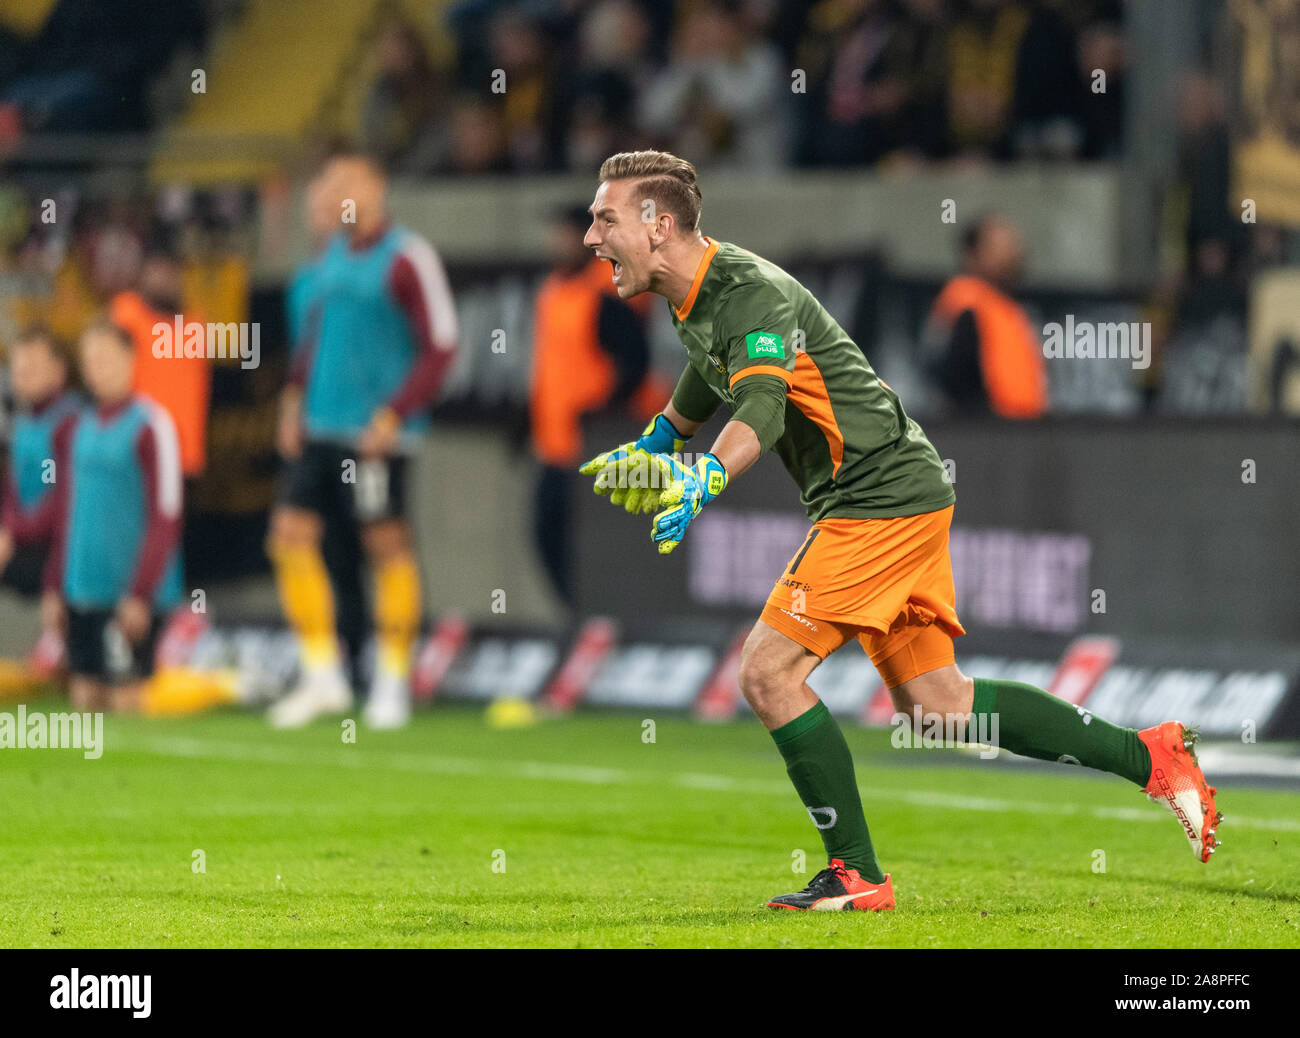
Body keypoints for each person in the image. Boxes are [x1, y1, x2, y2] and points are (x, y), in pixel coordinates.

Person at [579, 150, 1220, 912]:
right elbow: (710, 367)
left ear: (657, 228)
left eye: (604, 217)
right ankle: (1152, 755)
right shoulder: (700, 293)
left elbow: (761, 406)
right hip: (895, 490)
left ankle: (857, 872)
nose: (591, 236)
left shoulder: (748, 293)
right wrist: (662, 436)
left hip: (875, 495)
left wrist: (706, 475)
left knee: (767, 672)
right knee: (941, 708)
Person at [268, 151, 458, 729]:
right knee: (290, 537)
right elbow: (312, 340)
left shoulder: (406, 257)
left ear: (376, 187)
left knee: (385, 547)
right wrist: (293, 399)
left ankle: (392, 679)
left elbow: (442, 346)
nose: (336, 193)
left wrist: (394, 417)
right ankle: (323, 675)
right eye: (328, 184)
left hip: (374, 438)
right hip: (321, 429)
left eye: (346, 182)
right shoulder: (328, 259)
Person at [45, 321, 184, 712]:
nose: (97, 367)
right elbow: (64, 513)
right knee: (84, 699)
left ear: (130, 359)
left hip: (129, 594)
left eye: (106, 357)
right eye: (89, 359)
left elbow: (166, 516)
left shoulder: (152, 425)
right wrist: (54, 584)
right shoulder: (72, 428)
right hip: (81, 589)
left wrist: (140, 594)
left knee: (126, 703)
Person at [530, 205, 652, 606]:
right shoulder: (554, 290)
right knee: (547, 537)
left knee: (597, 548)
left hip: (594, 450)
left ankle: (598, 618)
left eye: (567, 234)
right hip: (555, 447)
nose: (557, 244)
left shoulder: (606, 295)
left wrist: (604, 415)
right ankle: (578, 615)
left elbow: (635, 364)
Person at [0, 326, 81, 674]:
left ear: (58, 370)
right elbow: (14, 491)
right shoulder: (22, 424)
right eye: (18, 367)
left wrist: (13, 532)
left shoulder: (69, 421)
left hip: (65, 546)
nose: (23, 374)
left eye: (33, 365)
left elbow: (59, 499)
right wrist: (7, 527)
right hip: (28, 541)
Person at [926, 213, 1047, 418]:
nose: (1012, 254)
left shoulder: (1009, 309)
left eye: (1013, 245)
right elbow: (956, 384)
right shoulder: (966, 304)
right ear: (972, 255)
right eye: (999, 247)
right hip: (988, 437)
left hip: (1023, 433)